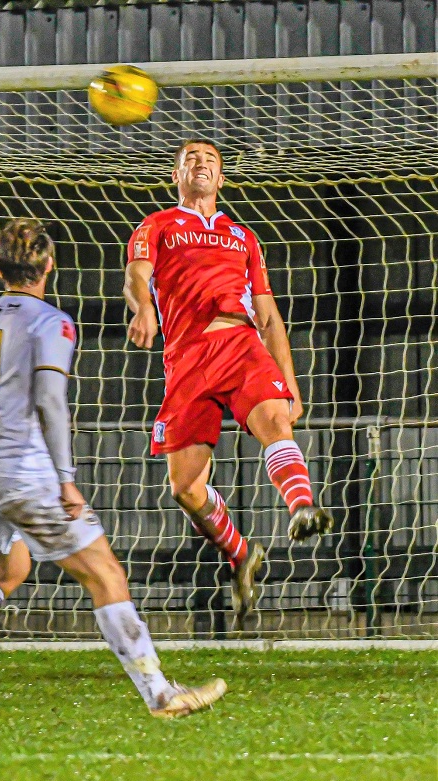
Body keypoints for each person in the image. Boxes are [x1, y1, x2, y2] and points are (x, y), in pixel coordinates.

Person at [0, 218, 226, 720]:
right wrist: (65, 479)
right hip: (26, 473)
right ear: (50, 266)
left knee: (7, 569)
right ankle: (161, 694)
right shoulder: (52, 322)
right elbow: (50, 399)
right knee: (107, 575)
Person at [123, 139, 333, 623]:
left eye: (210, 161)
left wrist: (290, 380)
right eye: (191, 159)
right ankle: (240, 554)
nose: (200, 165)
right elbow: (136, 275)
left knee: (277, 421)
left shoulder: (243, 237)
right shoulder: (157, 225)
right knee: (185, 488)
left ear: (221, 180)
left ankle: (301, 507)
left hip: (239, 347)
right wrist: (145, 309)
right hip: (187, 360)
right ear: (175, 175)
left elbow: (269, 316)